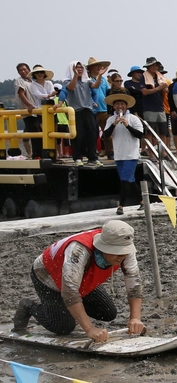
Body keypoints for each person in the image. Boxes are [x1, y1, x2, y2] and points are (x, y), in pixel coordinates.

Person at [12, 220, 145, 342]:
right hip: (48, 276)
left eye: (124, 253)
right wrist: (89, 329)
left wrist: (135, 318)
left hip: (80, 278)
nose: (122, 257)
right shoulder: (78, 250)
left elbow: (133, 281)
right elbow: (69, 292)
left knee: (108, 313)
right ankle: (28, 306)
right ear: (104, 246)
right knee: (63, 327)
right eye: (117, 253)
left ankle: (70, 310)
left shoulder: (125, 246)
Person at [101, 94, 145, 215]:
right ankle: (142, 201)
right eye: (117, 104)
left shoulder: (133, 119)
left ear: (126, 106)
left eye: (122, 104)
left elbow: (140, 135)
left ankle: (121, 206)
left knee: (125, 180)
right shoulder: (110, 119)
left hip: (131, 154)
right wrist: (114, 124)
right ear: (114, 106)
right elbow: (105, 135)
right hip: (119, 154)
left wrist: (127, 125)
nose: (120, 106)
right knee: (129, 180)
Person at [59, 61, 102, 166]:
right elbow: (71, 87)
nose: (79, 69)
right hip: (75, 111)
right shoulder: (67, 82)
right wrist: (75, 76)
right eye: (76, 67)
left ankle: (92, 157)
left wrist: (100, 75)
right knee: (78, 135)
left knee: (92, 134)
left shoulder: (87, 81)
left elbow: (96, 86)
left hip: (88, 110)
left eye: (81, 67)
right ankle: (77, 157)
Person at [27, 65, 58, 159]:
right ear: (34, 75)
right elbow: (38, 95)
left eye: (41, 72)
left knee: (54, 134)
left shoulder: (49, 83)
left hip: (52, 110)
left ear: (44, 74)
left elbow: (53, 95)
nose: (39, 74)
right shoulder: (32, 85)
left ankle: (54, 154)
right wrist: (49, 95)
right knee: (45, 133)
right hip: (41, 111)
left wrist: (49, 96)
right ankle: (45, 153)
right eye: (37, 73)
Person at [140, 58, 170, 153]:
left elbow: (166, 90)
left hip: (160, 107)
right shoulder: (143, 77)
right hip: (149, 108)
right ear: (148, 67)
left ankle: (163, 153)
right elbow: (144, 92)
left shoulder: (160, 77)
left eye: (156, 65)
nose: (154, 67)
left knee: (163, 132)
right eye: (152, 65)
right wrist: (158, 88)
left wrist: (164, 88)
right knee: (149, 132)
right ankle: (151, 153)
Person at [14, 63, 36, 158]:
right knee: (34, 134)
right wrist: (29, 105)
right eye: (20, 70)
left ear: (29, 69)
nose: (23, 71)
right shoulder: (19, 81)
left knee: (35, 133)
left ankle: (35, 153)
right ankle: (34, 154)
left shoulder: (33, 81)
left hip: (37, 111)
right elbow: (21, 94)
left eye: (24, 69)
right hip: (29, 112)